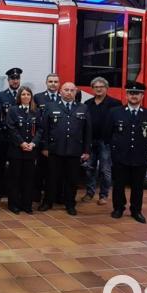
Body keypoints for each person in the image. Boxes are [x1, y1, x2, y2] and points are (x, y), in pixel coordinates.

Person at [105, 81, 147, 224]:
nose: (134, 96)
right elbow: (108, 134)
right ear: (127, 94)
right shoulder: (115, 112)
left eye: (137, 93)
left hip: (140, 156)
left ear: (142, 95)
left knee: (138, 185)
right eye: (131, 93)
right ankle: (118, 208)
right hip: (120, 156)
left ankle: (136, 210)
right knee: (118, 184)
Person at [39, 82, 91, 216]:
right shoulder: (51, 106)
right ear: (60, 92)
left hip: (74, 150)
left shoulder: (83, 108)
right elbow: (44, 129)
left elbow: (87, 132)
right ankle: (47, 202)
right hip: (55, 149)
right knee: (51, 178)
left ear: (76, 92)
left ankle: (70, 204)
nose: (69, 92)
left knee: (72, 179)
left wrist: (86, 150)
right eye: (66, 90)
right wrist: (44, 147)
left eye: (72, 90)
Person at [82, 76, 122, 205]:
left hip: (106, 142)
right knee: (89, 168)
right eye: (96, 87)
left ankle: (103, 195)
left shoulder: (115, 104)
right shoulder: (87, 104)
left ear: (106, 88)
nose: (99, 89)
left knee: (105, 170)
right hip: (90, 141)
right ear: (92, 88)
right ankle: (89, 193)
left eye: (101, 87)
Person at [5, 85, 42, 215]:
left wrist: (33, 143)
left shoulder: (36, 111)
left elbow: (40, 129)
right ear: (19, 97)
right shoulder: (13, 110)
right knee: (15, 178)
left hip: (31, 151)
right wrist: (21, 143)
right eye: (23, 94)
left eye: (28, 94)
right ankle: (13, 204)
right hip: (17, 150)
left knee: (28, 178)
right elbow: (11, 128)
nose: (26, 97)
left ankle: (27, 204)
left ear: (31, 97)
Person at [0, 67, 22, 202]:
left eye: (17, 78)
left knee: (16, 167)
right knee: (1, 165)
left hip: (19, 138)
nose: (15, 81)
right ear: (8, 80)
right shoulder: (1, 95)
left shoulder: (24, 95)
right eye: (12, 79)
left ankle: (13, 192)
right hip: (4, 137)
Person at [33, 73, 62, 205]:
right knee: (40, 169)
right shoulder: (38, 97)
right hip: (42, 138)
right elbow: (35, 118)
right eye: (50, 81)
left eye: (56, 82)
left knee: (56, 170)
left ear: (59, 84)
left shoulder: (63, 98)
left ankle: (54, 196)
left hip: (58, 140)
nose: (53, 84)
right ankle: (37, 195)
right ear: (46, 83)